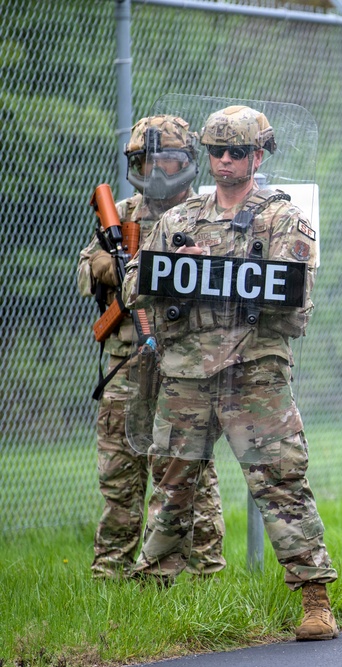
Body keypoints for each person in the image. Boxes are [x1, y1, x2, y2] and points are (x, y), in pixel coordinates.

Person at [122, 105, 337, 641]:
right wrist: (177, 269)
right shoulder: (178, 220)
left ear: (257, 156)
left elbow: (293, 289)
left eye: (235, 151)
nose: (223, 160)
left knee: (280, 481)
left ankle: (315, 599)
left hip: (253, 369)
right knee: (172, 483)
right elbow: (134, 286)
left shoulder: (282, 217)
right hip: (188, 370)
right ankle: (151, 597)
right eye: (215, 150)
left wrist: (208, 269)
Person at [76, 115, 225, 580]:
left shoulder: (207, 215)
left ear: (187, 163)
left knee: (190, 473)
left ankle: (204, 575)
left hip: (184, 364)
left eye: (168, 160)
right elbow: (85, 271)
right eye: (147, 160)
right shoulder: (121, 216)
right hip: (126, 362)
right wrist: (116, 267)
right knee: (120, 474)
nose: (157, 170)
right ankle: (111, 574)